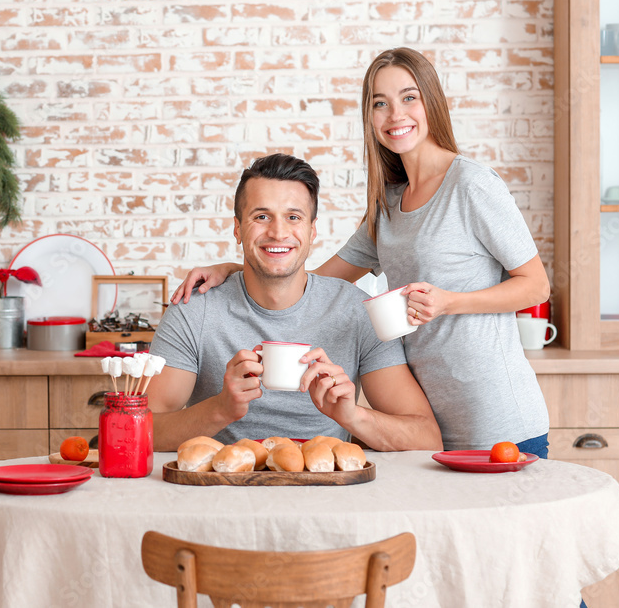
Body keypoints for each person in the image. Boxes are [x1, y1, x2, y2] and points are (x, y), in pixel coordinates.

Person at [170, 47, 551, 457]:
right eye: (380, 104)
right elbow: (309, 279)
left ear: (431, 103)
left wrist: (449, 302)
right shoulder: (387, 205)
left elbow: (536, 286)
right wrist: (239, 268)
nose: (395, 115)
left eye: (409, 98)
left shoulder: (471, 185)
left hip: (498, 418)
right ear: (369, 117)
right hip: (434, 426)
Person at [146, 153, 442, 452]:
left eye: (293, 217)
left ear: (312, 231)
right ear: (238, 229)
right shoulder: (194, 310)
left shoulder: (356, 311)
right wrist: (220, 409)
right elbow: (141, 429)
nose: (278, 232)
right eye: (261, 216)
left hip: (324, 487)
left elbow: (426, 436)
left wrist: (353, 417)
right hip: (223, 487)